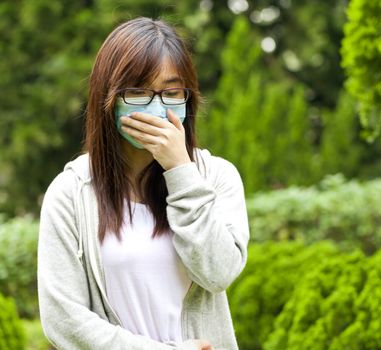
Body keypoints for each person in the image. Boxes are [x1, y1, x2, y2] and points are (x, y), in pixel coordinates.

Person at [37, 17, 249, 350]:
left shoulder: (217, 177)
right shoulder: (71, 192)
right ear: (107, 98)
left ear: (188, 97)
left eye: (171, 92)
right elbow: (62, 319)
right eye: (136, 92)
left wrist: (180, 169)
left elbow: (219, 273)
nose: (155, 107)